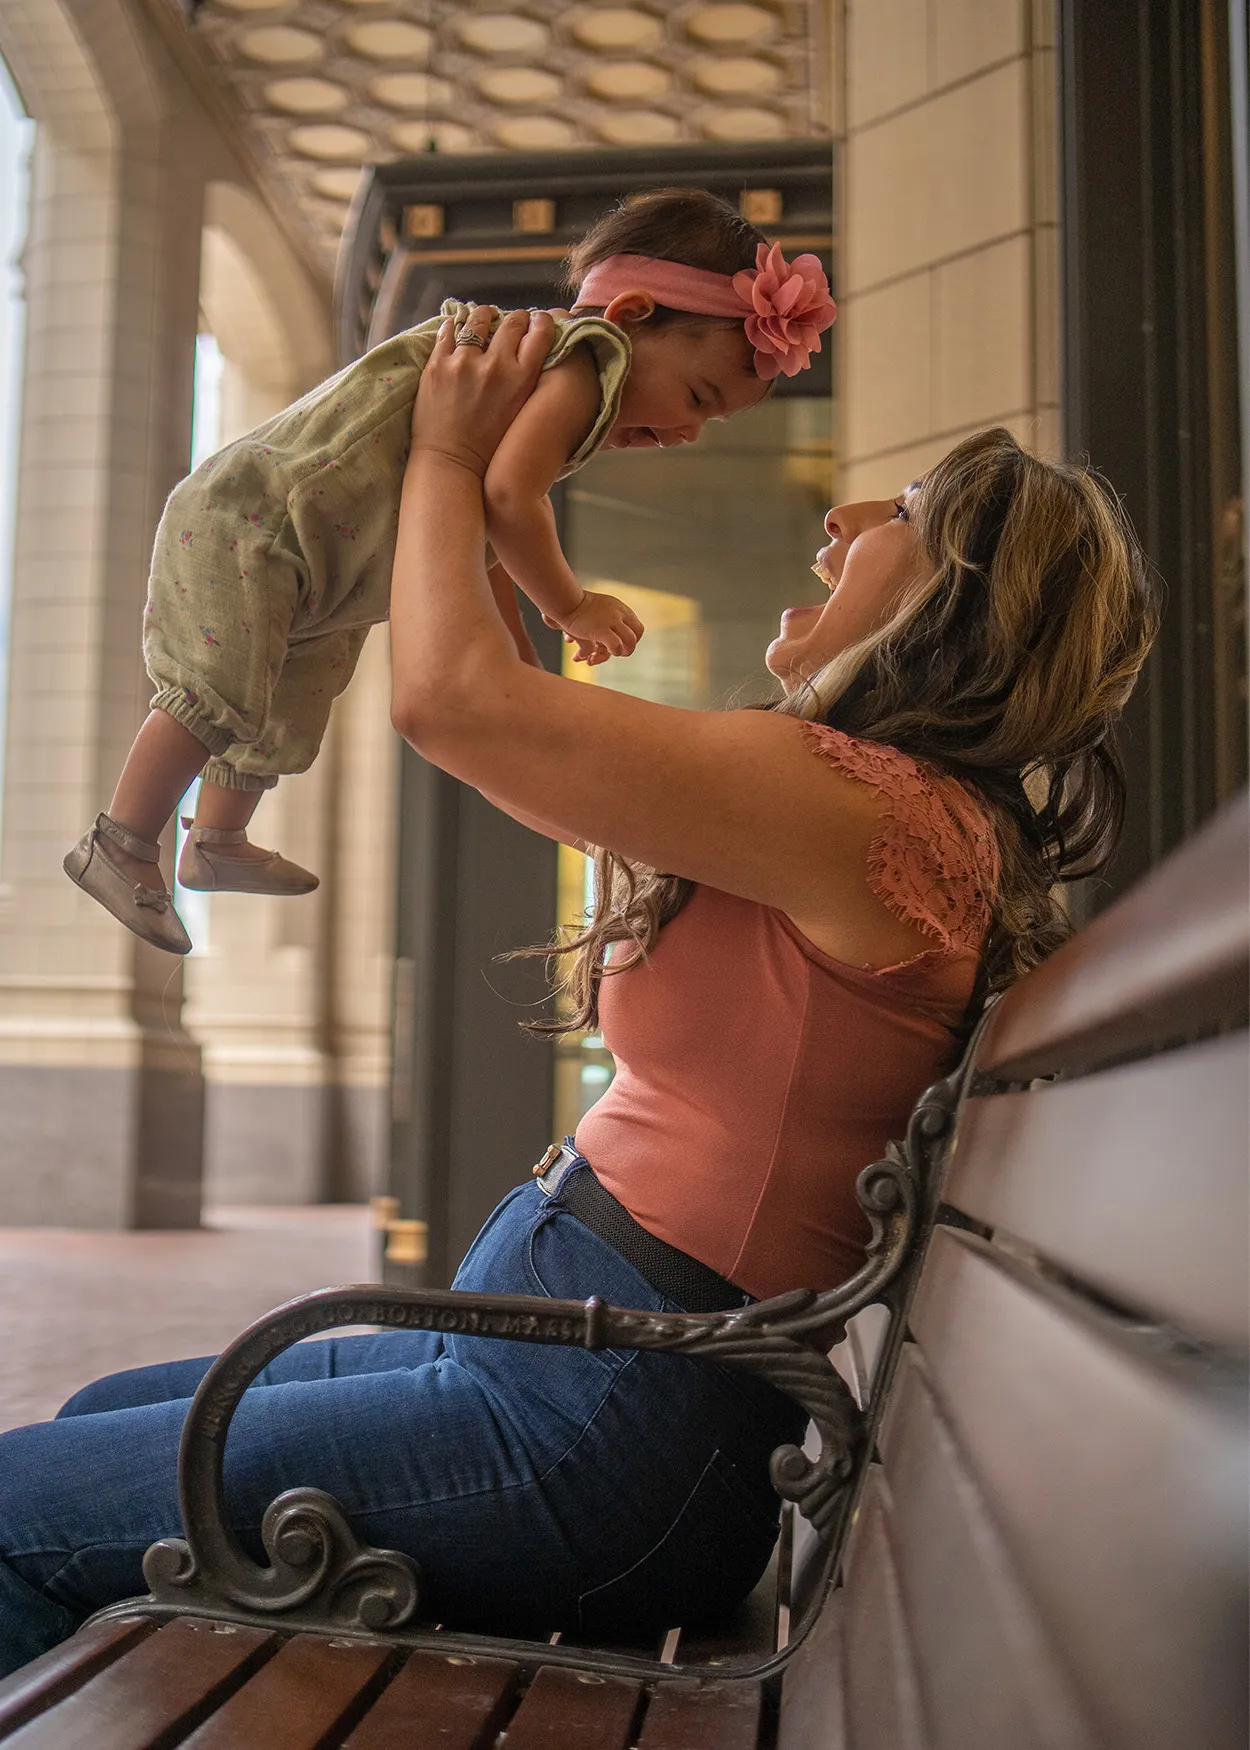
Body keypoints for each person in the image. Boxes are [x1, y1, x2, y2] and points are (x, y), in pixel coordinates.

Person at [0, 311, 1158, 1675]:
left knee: (23, 1512)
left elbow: (454, 705)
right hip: (578, 1367)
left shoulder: (865, 809)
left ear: (963, 592)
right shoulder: (868, 809)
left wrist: (443, 447)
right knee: (99, 1416)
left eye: (899, 508)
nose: (842, 513)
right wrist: (493, 521)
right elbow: (504, 728)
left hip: (599, 1422)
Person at [63, 189, 835, 954]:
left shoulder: (547, 379)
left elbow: (478, 525)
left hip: (321, 557)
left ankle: (217, 838)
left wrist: (518, 638)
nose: (686, 432)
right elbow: (505, 496)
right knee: (216, 693)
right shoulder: (580, 357)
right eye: (696, 397)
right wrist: (569, 605)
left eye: (710, 423)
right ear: (631, 316)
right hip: (259, 516)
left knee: (290, 693)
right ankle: (123, 841)